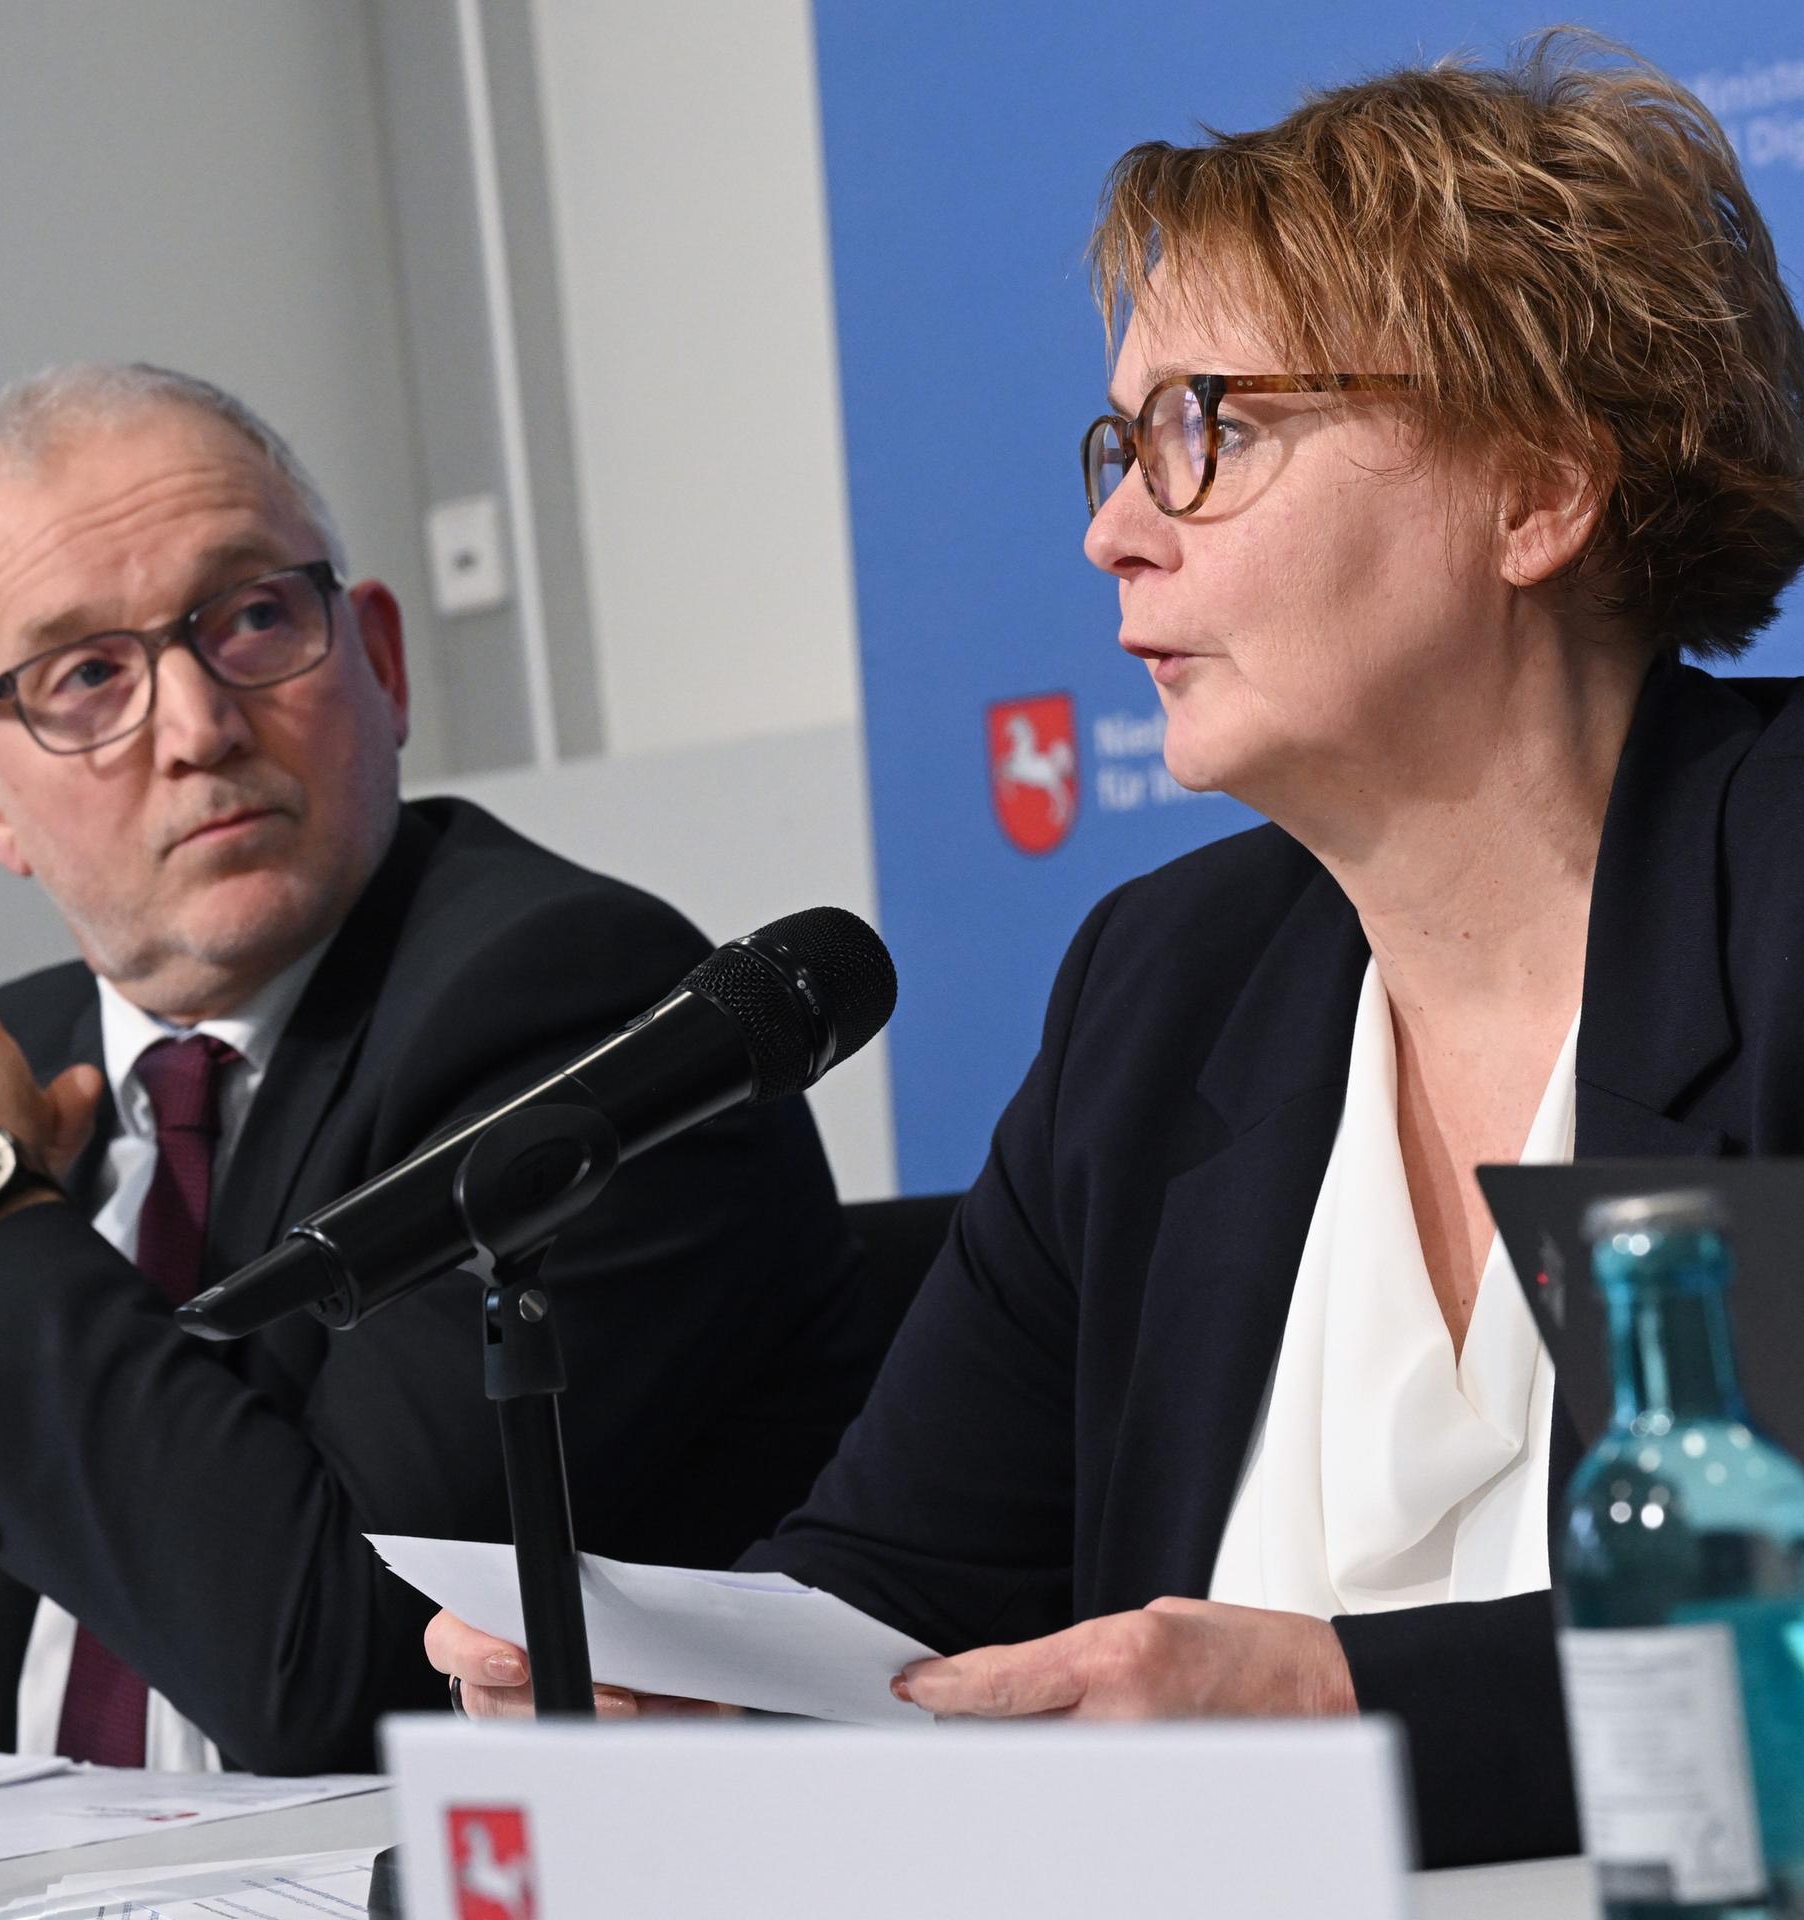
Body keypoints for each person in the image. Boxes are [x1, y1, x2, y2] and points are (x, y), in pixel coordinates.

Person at [425, 34, 1804, 1869]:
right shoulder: (1169, 988)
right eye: (1124, 441)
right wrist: (702, 1685)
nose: (1110, 532)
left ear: (1537, 493)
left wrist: (1339, 1710)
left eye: (1206, 429)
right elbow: (905, 1576)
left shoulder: (1782, 906)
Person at [0, 364, 881, 1773]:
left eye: (250, 618)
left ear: (383, 663)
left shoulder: (572, 1008)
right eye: (87, 676)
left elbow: (323, 1664)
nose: (197, 727)